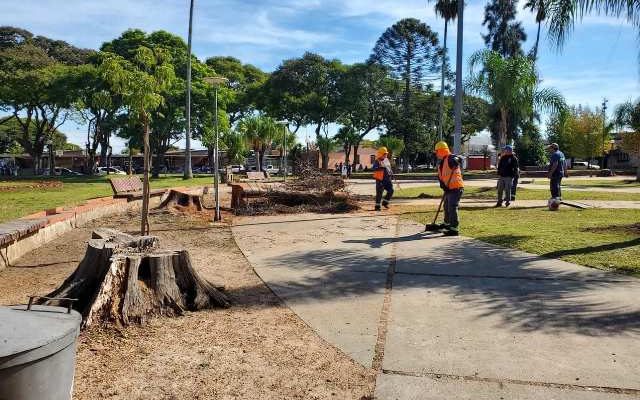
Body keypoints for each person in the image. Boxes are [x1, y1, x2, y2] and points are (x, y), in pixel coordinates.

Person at [435, 141, 464, 236]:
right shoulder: (441, 163)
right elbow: (442, 177)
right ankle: (447, 224)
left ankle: (454, 228)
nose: (436, 154)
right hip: (448, 189)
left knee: (452, 207)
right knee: (446, 206)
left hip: (456, 188)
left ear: (441, 151)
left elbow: (460, 158)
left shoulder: (450, 158)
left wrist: (458, 159)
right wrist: (443, 186)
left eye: (437, 152)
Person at [372, 147, 394, 211]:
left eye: (386, 154)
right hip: (380, 180)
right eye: (384, 154)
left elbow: (389, 168)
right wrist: (381, 167)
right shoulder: (377, 161)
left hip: (388, 179)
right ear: (380, 154)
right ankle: (377, 206)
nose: (385, 155)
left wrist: (391, 173)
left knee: (391, 190)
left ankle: (385, 203)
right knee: (379, 193)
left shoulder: (386, 160)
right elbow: (374, 168)